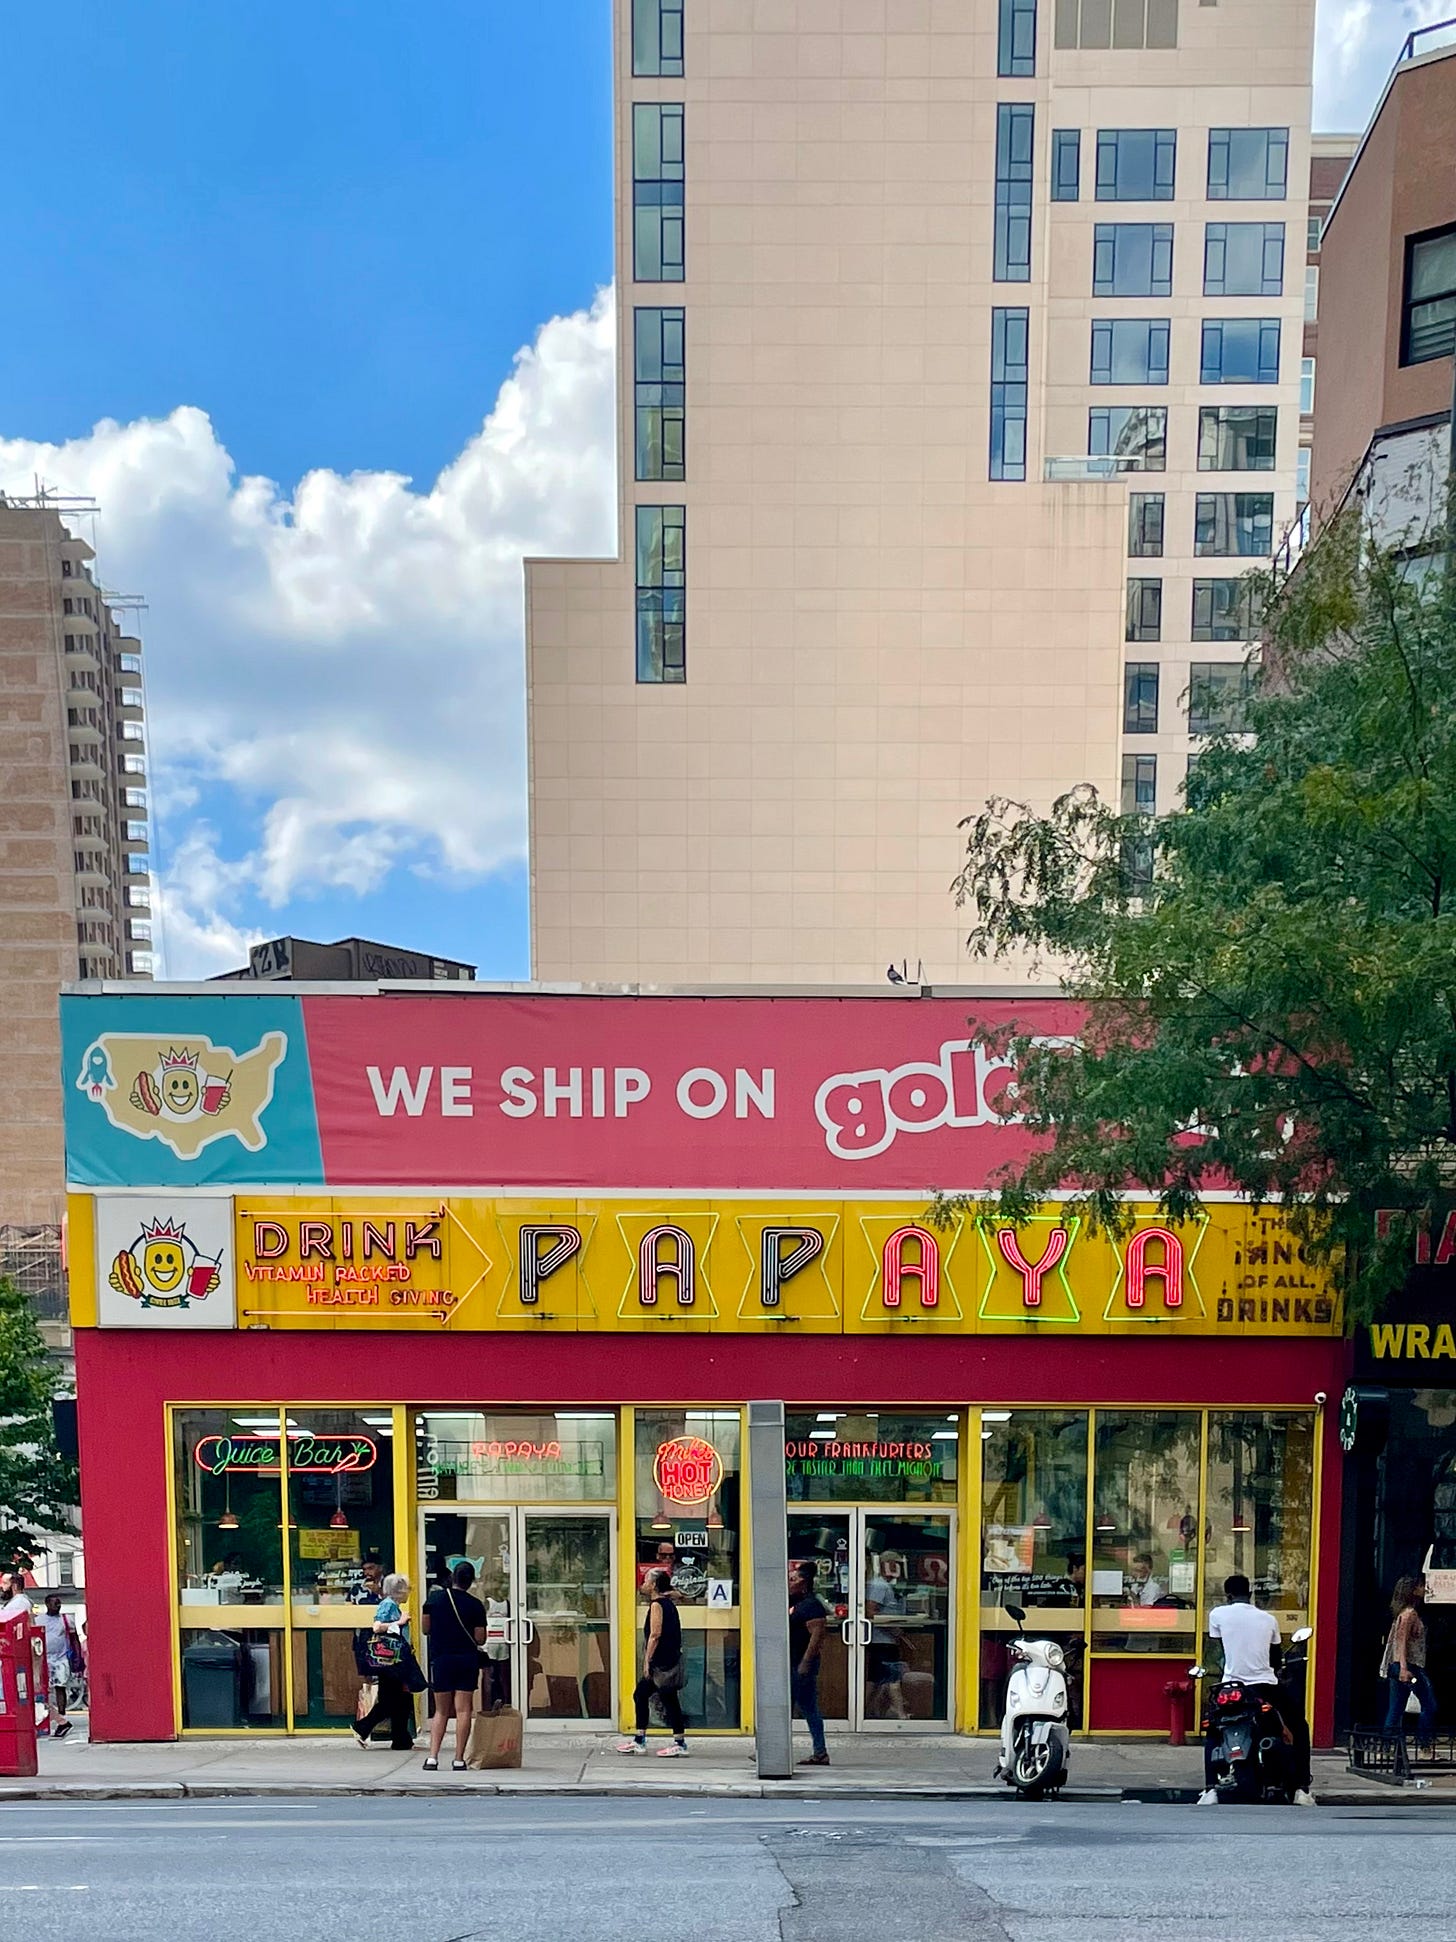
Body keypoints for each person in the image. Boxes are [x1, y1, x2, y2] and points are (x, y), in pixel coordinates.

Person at [1197, 1573, 1314, 1808]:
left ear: (1228, 1595)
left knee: (1213, 1729)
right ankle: (1301, 1789)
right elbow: (1274, 1657)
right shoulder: (1267, 1619)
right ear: (1249, 1594)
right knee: (1299, 1726)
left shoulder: (1217, 1614)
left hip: (1231, 1685)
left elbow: (1217, 1650)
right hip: (1264, 1686)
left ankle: (1210, 1789)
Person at [421, 1561, 486, 1772]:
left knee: (441, 1710)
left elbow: (425, 1629)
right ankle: (459, 1759)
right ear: (471, 1581)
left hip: (441, 1659)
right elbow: (480, 1638)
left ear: (452, 1577)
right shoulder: (475, 1605)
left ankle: (432, 1757)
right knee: (463, 1710)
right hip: (466, 1659)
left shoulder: (434, 1600)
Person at [616, 1568, 688, 1758]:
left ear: (654, 1585)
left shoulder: (657, 1605)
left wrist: (647, 1661)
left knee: (666, 1699)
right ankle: (641, 1739)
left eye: (646, 1581)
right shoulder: (669, 1602)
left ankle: (678, 1742)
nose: (643, 1584)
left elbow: (655, 1634)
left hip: (661, 1661)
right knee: (643, 1695)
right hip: (669, 1658)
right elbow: (678, 1594)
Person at [353, 1573, 419, 1751]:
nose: (409, 1592)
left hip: (396, 1660)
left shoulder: (394, 1605)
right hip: (389, 1661)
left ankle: (401, 1738)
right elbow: (377, 1627)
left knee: (402, 1699)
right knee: (391, 1700)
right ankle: (363, 1727)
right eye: (407, 1589)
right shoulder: (388, 1605)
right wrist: (400, 1622)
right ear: (399, 1591)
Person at [1382, 1574, 1437, 1745]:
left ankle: (1387, 1746)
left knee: (1396, 1707)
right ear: (1413, 1590)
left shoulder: (1403, 1613)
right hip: (1409, 1667)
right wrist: (1404, 1669)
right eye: (1421, 1586)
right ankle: (1424, 1744)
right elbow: (1401, 1642)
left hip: (1399, 1666)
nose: (1424, 1589)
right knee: (1430, 1705)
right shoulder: (1409, 1614)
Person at [789, 1562, 829, 1766]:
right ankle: (820, 1751)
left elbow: (817, 1636)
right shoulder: (796, 1602)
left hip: (801, 1663)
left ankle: (820, 1751)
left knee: (804, 1706)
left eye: (793, 1579)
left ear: (803, 1583)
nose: (789, 1583)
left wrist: (806, 1662)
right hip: (794, 1661)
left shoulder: (811, 1605)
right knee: (805, 1706)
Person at [865, 1551, 908, 1719]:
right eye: (893, 1563)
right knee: (892, 1678)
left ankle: (867, 1711)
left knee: (875, 1679)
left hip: (885, 1640)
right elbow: (870, 1610)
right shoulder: (879, 1585)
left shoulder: (886, 1585)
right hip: (883, 1640)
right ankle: (900, 1712)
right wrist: (892, 1629)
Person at [41, 1595, 83, 1741]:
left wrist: (78, 1658)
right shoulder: (39, 1620)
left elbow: (74, 1639)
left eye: (59, 1604)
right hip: (44, 1658)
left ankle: (62, 1714)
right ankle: (49, 1717)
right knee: (43, 1689)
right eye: (54, 1603)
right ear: (47, 1604)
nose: (57, 1606)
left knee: (60, 1687)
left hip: (61, 1658)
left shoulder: (66, 1620)